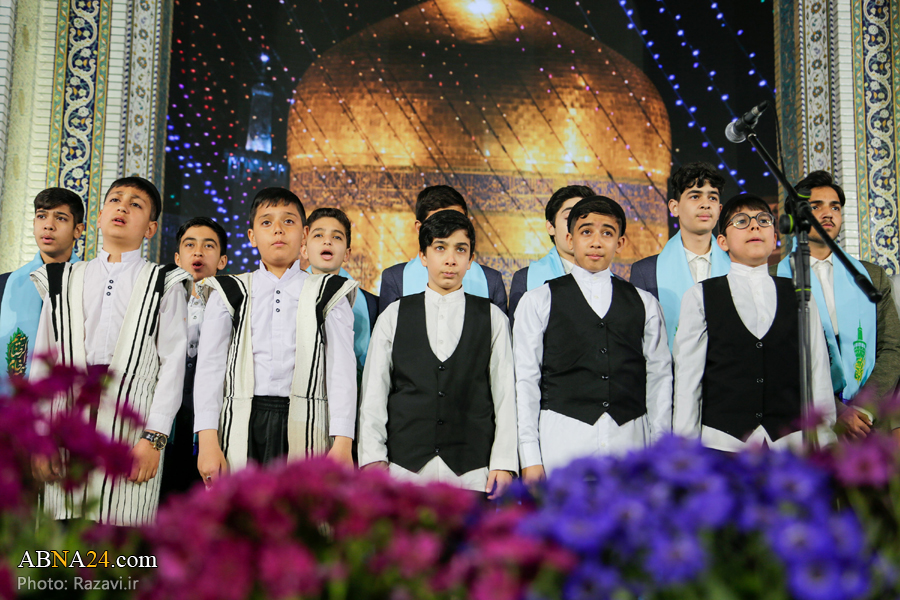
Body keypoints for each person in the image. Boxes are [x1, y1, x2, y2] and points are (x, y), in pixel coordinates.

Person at [30, 177, 191, 525]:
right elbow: (44, 363)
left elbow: (173, 365)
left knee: (121, 535)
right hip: (67, 422)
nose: (123, 207)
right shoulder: (63, 278)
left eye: (136, 204)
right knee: (63, 534)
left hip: (132, 425)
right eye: (116, 200)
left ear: (150, 229)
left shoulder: (163, 282)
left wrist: (154, 438)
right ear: (100, 217)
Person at [193, 188, 358, 483]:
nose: (278, 229)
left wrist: (343, 442)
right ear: (252, 236)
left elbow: (341, 371)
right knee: (241, 508)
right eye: (267, 222)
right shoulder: (229, 290)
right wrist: (207, 441)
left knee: (301, 508)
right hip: (242, 422)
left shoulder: (330, 292)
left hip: (309, 423)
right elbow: (210, 368)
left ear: (304, 234)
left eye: (289, 221)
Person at [358, 210, 517, 498]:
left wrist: (504, 463)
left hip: (473, 473)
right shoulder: (393, 315)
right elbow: (374, 392)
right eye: (440, 248)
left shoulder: (493, 317)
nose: (450, 259)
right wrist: (372, 457)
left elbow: (505, 395)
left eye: (461, 250)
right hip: (404, 472)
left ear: (471, 259)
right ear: (423, 255)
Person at [514, 196, 672, 486]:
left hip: (630, 444)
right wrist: (530, 457)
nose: (596, 242)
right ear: (569, 239)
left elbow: (659, 380)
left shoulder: (645, 303)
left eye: (607, 233)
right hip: (561, 443)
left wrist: (660, 451)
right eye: (586, 232)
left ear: (620, 243)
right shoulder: (537, 300)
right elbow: (525, 380)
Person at [673, 193, 836, 452]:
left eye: (763, 220)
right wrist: (684, 451)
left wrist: (825, 441)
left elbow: (817, 369)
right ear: (722, 241)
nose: (754, 227)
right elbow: (688, 380)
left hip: (789, 444)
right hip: (722, 444)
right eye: (741, 221)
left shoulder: (800, 294)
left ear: (775, 237)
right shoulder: (700, 295)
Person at [774, 171, 900, 437]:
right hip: (805, 421)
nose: (828, 213)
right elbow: (779, 359)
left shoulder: (871, 276)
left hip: (869, 424)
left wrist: (864, 410)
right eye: (815, 206)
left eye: (835, 207)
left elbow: (892, 347)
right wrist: (837, 411)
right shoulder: (774, 279)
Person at [159, 217, 229, 501]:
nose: (198, 252)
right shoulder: (158, 303)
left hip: (210, 432)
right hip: (167, 428)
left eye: (208, 246)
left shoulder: (234, 306)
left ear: (222, 260)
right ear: (177, 258)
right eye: (190, 245)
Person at [630, 162, 731, 348]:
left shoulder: (737, 265)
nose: (705, 205)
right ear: (674, 207)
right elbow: (638, 340)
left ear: (719, 210)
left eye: (712, 198)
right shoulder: (646, 272)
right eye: (695, 196)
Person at [378, 185, 507, 314]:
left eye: (456, 222)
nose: (449, 230)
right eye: (438, 223)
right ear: (419, 228)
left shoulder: (491, 280)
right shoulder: (396, 279)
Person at [0, 188, 84, 384]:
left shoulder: (91, 283)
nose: (48, 225)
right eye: (41, 216)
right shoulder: (5, 285)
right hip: (12, 397)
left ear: (78, 230)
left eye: (60, 218)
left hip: (68, 394)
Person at [301, 207, 378, 371]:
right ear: (304, 249)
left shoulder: (372, 305)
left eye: (336, 237)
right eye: (318, 235)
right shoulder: (288, 295)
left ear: (347, 254)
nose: (327, 241)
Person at [508, 185, 594, 323]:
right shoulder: (524, 279)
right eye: (569, 217)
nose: (579, 226)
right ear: (550, 227)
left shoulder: (619, 287)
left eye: (585, 218)